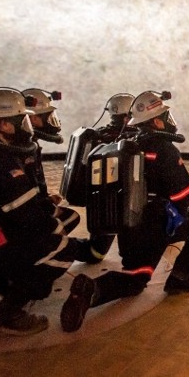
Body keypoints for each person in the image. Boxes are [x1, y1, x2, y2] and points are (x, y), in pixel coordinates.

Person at [60, 90, 189, 333]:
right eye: (165, 117)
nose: (169, 121)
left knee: (136, 278)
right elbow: (183, 195)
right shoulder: (165, 149)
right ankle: (181, 278)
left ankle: (91, 290)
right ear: (156, 122)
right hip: (158, 224)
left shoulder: (127, 145)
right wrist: (172, 221)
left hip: (129, 224)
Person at [0, 87, 78, 335]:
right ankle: (6, 314)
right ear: (5, 125)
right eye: (22, 121)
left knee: (55, 226)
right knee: (63, 248)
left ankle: (11, 282)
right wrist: (56, 231)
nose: (26, 127)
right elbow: (30, 219)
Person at [73, 93, 137, 264]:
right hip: (121, 201)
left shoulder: (98, 136)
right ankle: (59, 247)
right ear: (127, 116)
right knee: (99, 253)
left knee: (96, 253)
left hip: (103, 203)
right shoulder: (133, 140)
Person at [21, 88, 79, 237]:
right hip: (23, 216)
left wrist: (46, 199)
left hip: (30, 209)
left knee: (69, 217)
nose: (52, 121)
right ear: (32, 118)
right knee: (69, 219)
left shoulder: (29, 146)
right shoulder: (23, 150)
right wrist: (47, 206)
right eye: (48, 116)